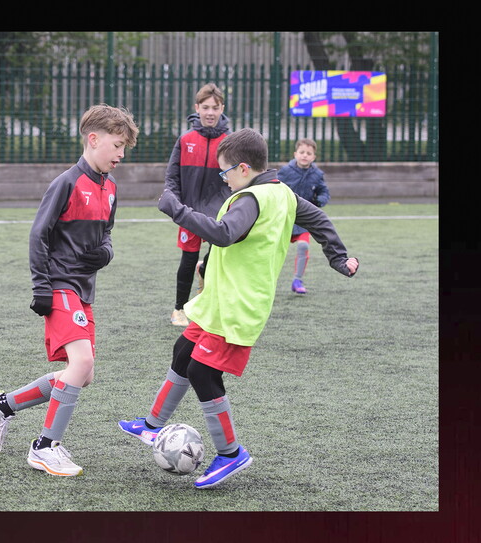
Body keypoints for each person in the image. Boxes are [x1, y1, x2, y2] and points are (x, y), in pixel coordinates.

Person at [118, 128, 359, 489]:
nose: (224, 179)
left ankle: (231, 453)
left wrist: (177, 210)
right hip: (219, 301)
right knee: (183, 350)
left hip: (237, 307)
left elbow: (223, 233)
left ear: (243, 168)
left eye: (225, 171)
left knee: (202, 372)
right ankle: (152, 426)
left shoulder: (251, 198)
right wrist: (338, 257)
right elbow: (319, 220)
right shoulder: (283, 192)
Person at [0, 104, 139, 477]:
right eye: (117, 145)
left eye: (124, 148)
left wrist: (106, 252)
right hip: (59, 284)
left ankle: (1, 406)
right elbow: (38, 235)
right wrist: (41, 286)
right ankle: (44, 447)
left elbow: (106, 235)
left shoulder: (111, 188)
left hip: (84, 290)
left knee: (83, 373)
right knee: (80, 364)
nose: (121, 154)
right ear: (93, 139)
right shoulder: (66, 183)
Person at [164, 83, 232, 327]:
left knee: (217, 261)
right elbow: (172, 176)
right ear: (197, 108)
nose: (210, 112)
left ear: (222, 108)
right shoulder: (186, 140)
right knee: (188, 260)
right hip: (190, 212)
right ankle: (179, 309)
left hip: (219, 213)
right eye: (205, 107)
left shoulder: (229, 141)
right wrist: (175, 202)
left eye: (215, 107)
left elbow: (237, 176)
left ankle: (207, 299)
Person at [277, 138, 330, 294]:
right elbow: (274, 187)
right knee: (274, 250)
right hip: (284, 219)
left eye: (309, 153)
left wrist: (320, 200)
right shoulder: (285, 172)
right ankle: (267, 279)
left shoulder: (317, 174)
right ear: (295, 154)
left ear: (314, 157)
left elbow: (324, 192)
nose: (305, 155)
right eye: (302, 152)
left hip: (304, 220)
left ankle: (297, 280)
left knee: (303, 246)